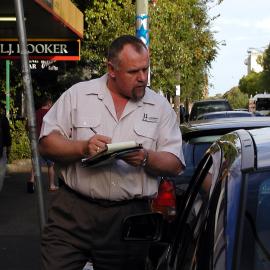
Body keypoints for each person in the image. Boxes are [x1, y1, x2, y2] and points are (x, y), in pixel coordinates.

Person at [38, 35, 185, 270]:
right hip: (73, 212)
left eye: (146, 69)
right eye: (134, 71)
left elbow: (175, 163)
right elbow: (46, 143)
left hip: (129, 218)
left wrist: (145, 158)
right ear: (112, 69)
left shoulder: (159, 107)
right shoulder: (78, 95)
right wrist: (82, 147)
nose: (143, 78)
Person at [27, 96, 57, 193]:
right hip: (47, 141)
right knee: (50, 165)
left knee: (36, 163)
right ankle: (52, 185)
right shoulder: (50, 114)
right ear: (48, 103)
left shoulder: (34, 113)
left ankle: (31, 181)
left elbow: (27, 126)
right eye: (51, 104)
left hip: (35, 141)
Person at [0, 109, 11, 192]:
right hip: (1, 147)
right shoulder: (3, 118)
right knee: (1, 170)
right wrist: (8, 147)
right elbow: (7, 133)